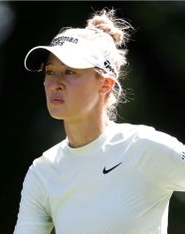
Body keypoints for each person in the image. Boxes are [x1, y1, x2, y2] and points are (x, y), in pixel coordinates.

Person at [14, 9, 185, 234]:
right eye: (50, 71)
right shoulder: (43, 172)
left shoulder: (144, 147)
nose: (55, 83)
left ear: (105, 84)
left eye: (70, 72)